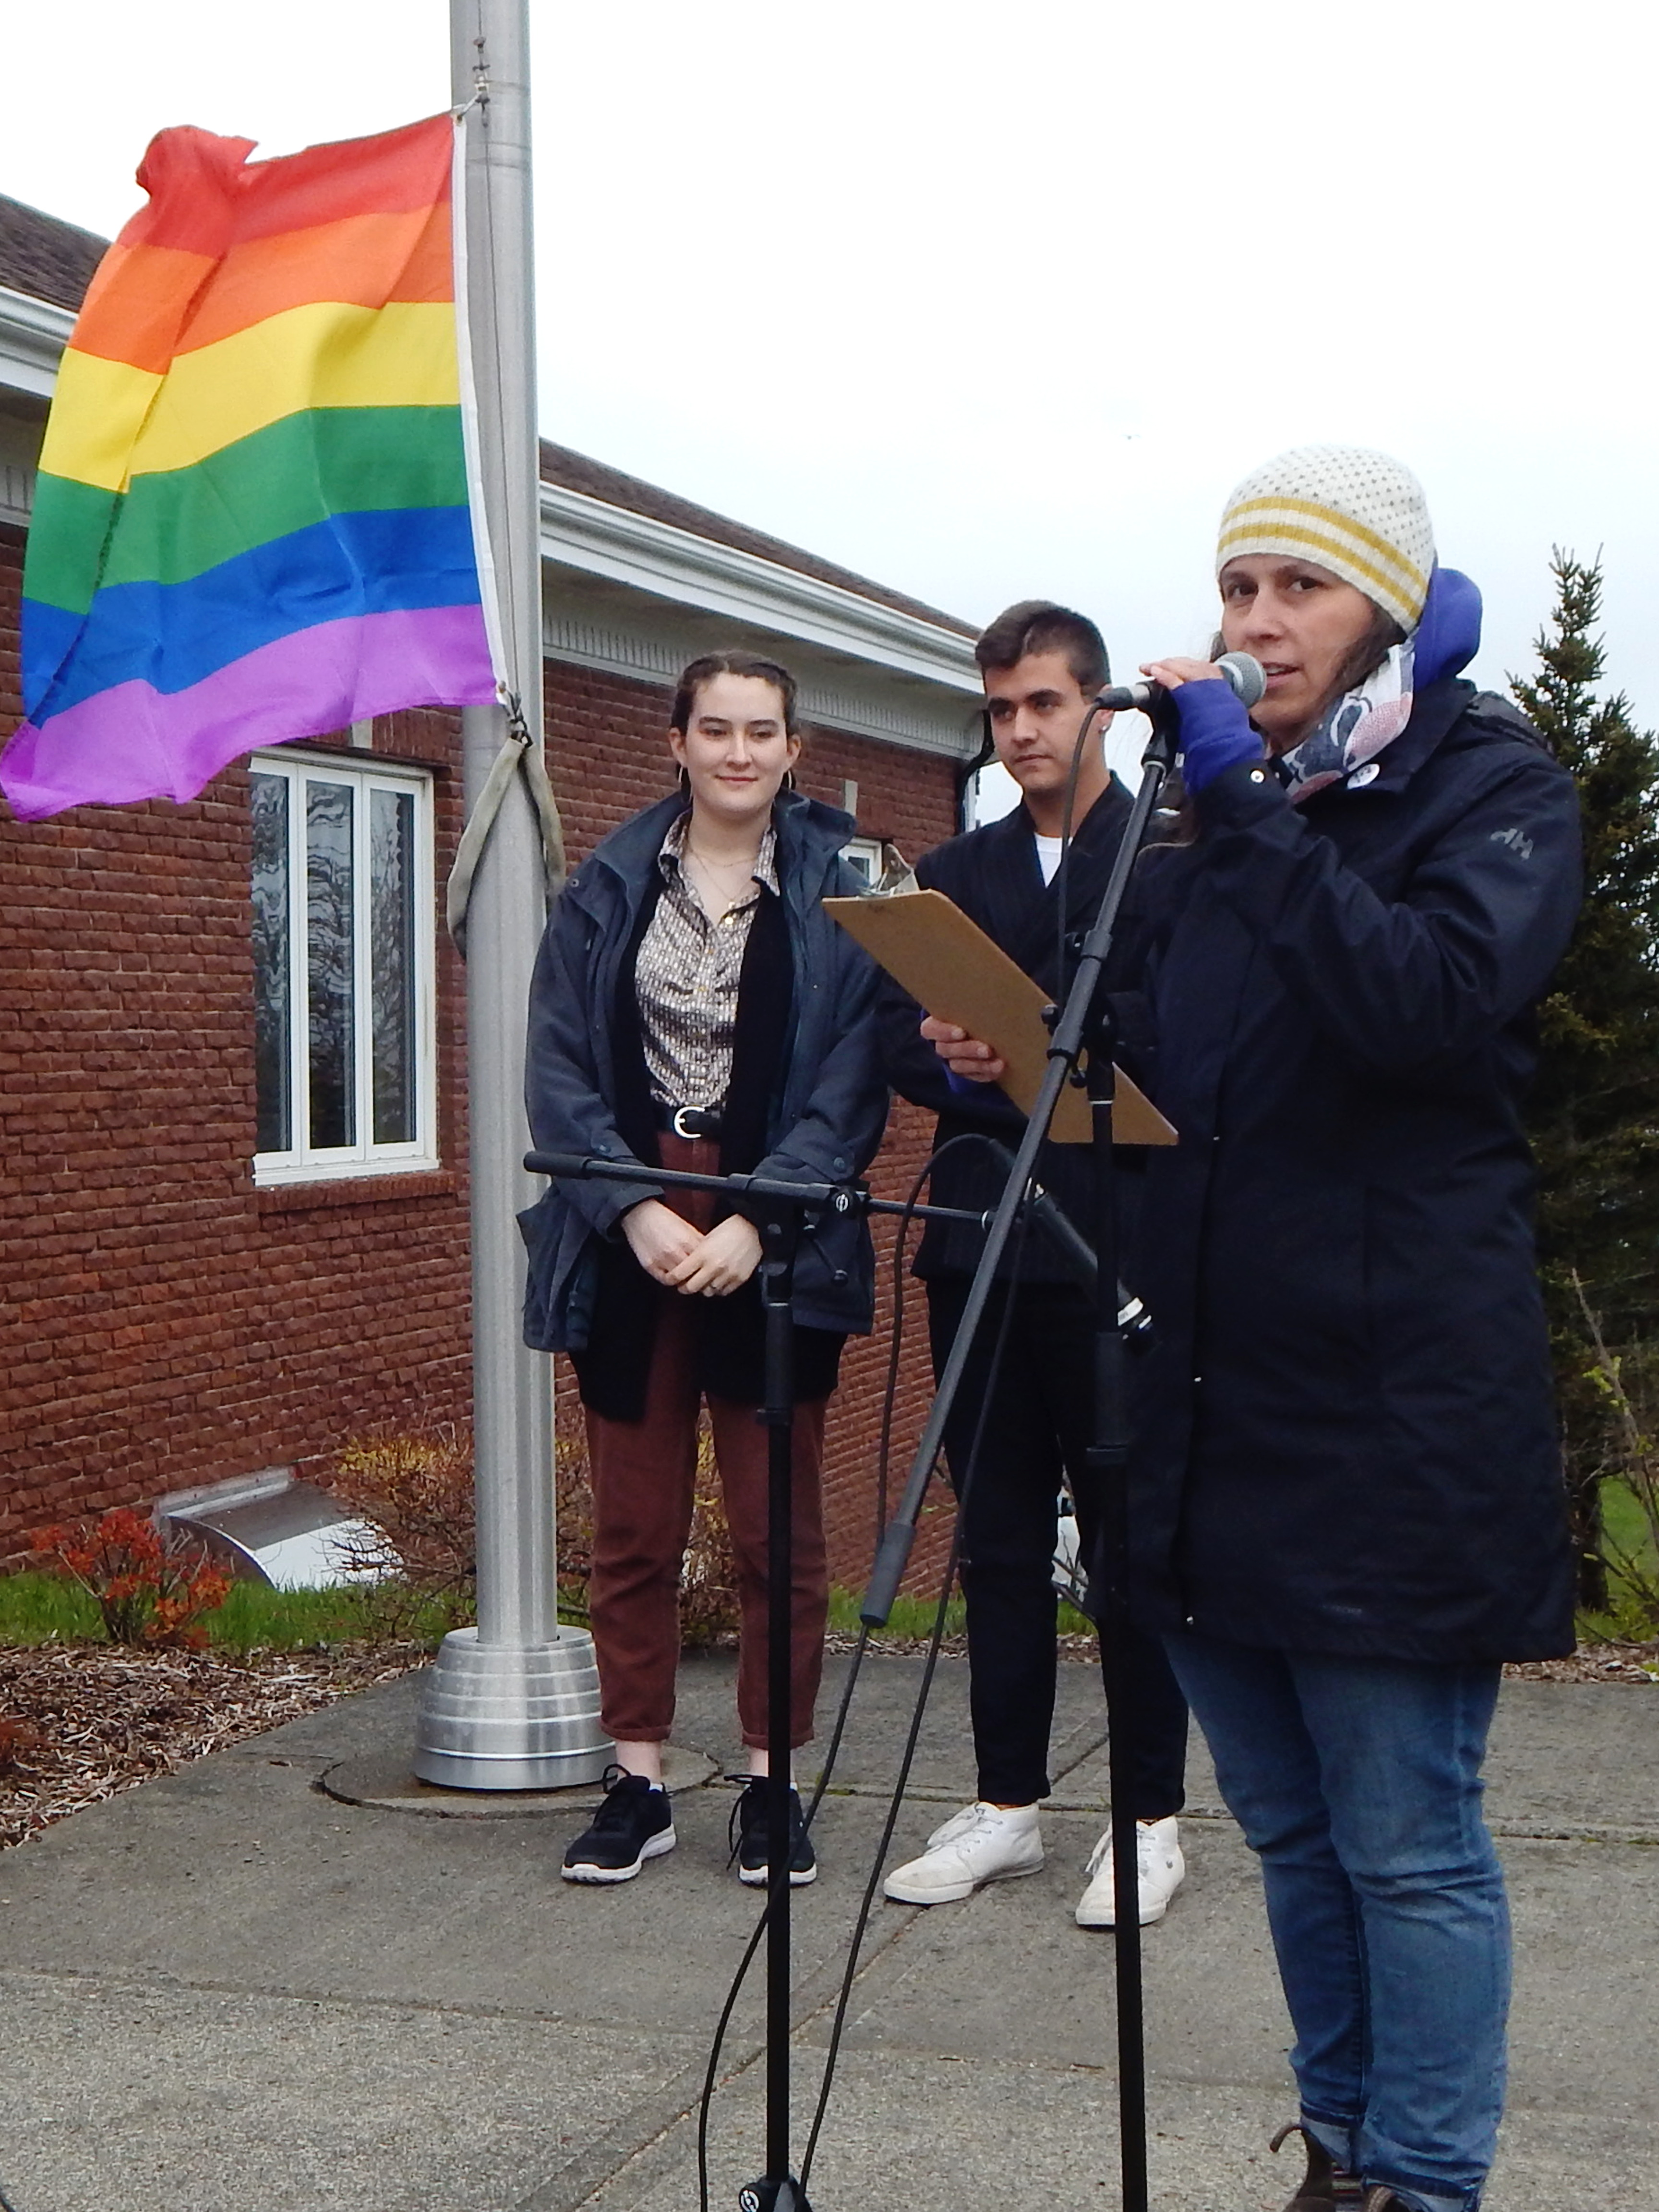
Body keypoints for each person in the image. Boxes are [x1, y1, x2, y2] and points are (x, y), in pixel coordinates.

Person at [930, 450, 1581, 2212]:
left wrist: (1258, 810)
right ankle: (1344, 2151)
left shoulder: (1489, 786)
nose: (1253, 624)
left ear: (1384, 604)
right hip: (1210, 1408)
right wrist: (1012, 1062)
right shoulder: (1199, 828)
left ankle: (1429, 2184)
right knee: (1289, 1834)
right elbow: (1137, 1078)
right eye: (1236, 590)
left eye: (1296, 587)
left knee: (1405, 1845)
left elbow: (1413, 1004)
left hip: (1393, 1418)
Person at [520, 649, 887, 1887]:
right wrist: (632, 1212)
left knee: (777, 1531)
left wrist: (761, 1223)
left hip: (769, 1228)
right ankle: (639, 1778)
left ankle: (774, 1782)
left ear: (793, 749)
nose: (739, 752)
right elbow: (560, 1074)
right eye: (716, 730)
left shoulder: (846, 889)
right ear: (675, 743)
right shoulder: (606, 887)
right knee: (634, 1524)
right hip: (633, 1231)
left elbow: (851, 1082)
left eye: (763, 731)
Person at [876, 601, 1190, 1928]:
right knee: (997, 1541)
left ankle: (1150, 1821)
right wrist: (944, 1056)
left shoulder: (1170, 858)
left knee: (1129, 1547)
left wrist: (1051, 1047)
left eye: (1044, 706)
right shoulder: (955, 869)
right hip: (980, 1248)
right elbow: (890, 1048)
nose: (1020, 733)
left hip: (1117, 1249)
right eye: (1001, 711)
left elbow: (1186, 1056)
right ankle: (1007, 1807)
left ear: (1099, 708)